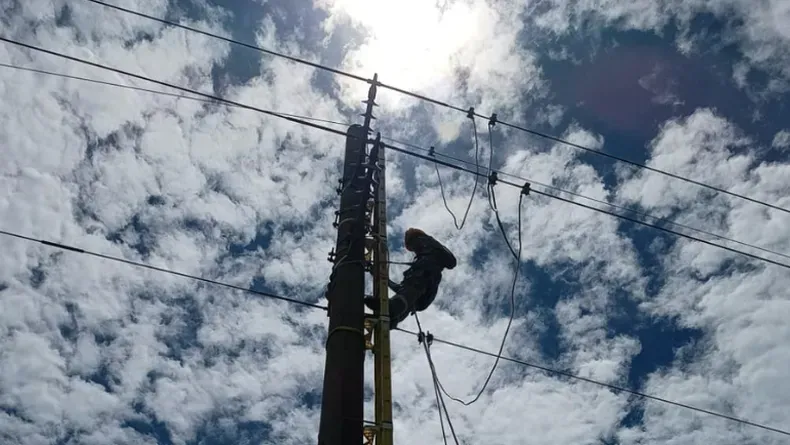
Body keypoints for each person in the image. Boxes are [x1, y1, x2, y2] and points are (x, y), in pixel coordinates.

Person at [365, 228, 456, 329]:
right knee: (408, 297)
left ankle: (393, 311)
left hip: (422, 287)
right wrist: (381, 277)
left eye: (411, 244)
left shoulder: (427, 249)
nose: (413, 248)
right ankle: (393, 319)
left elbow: (450, 261)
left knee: (410, 290)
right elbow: (402, 290)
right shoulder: (422, 265)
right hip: (421, 299)